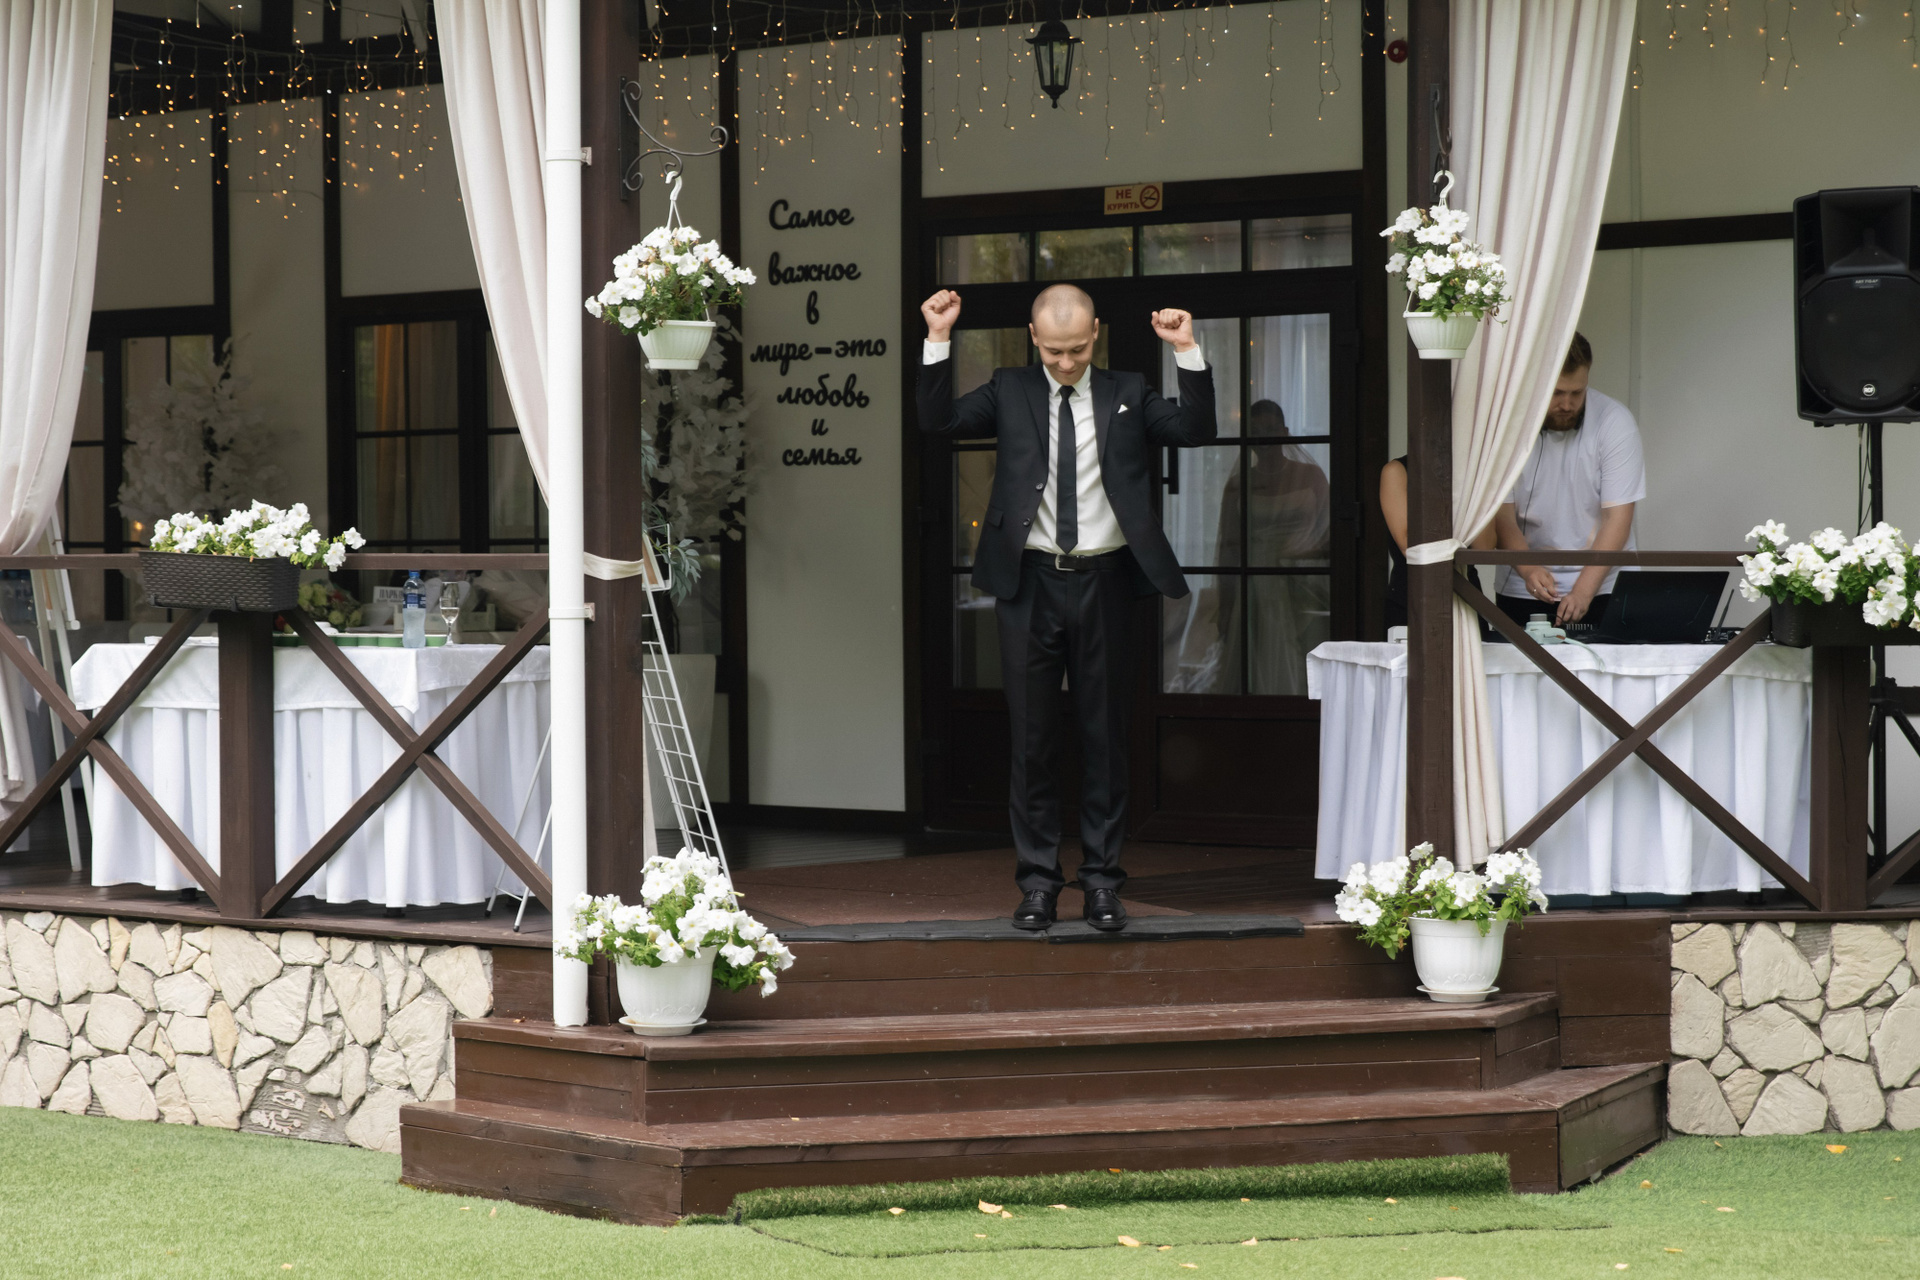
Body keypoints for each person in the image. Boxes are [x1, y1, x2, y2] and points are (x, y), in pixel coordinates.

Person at [918, 283, 1215, 932]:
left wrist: (1186, 350)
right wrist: (938, 339)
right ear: (1034, 337)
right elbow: (938, 422)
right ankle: (1038, 885)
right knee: (1032, 741)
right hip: (1029, 583)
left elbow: (1195, 429)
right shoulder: (1010, 389)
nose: (1065, 362)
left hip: (1106, 582)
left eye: (1077, 349)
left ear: (1096, 333)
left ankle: (1103, 883)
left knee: (1104, 737)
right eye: (1054, 351)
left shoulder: (1128, 391)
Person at [1492, 332, 1644, 629]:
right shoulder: (1506, 425)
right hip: (1521, 586)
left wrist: (1583, 591)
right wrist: (1529, 570)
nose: (1567, 404)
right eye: (1557, 393)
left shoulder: (1615, 421)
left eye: (1577, 393)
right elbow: (1502, 517)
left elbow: (1618, 519)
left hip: (1605, 586)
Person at [1380, 456, 1495, 632]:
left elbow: (1484, 546)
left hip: (1466, 593)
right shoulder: (1397, 471)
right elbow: (1408, 544)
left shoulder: (1471, 474)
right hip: (1412, 593)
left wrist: (1476, 483)